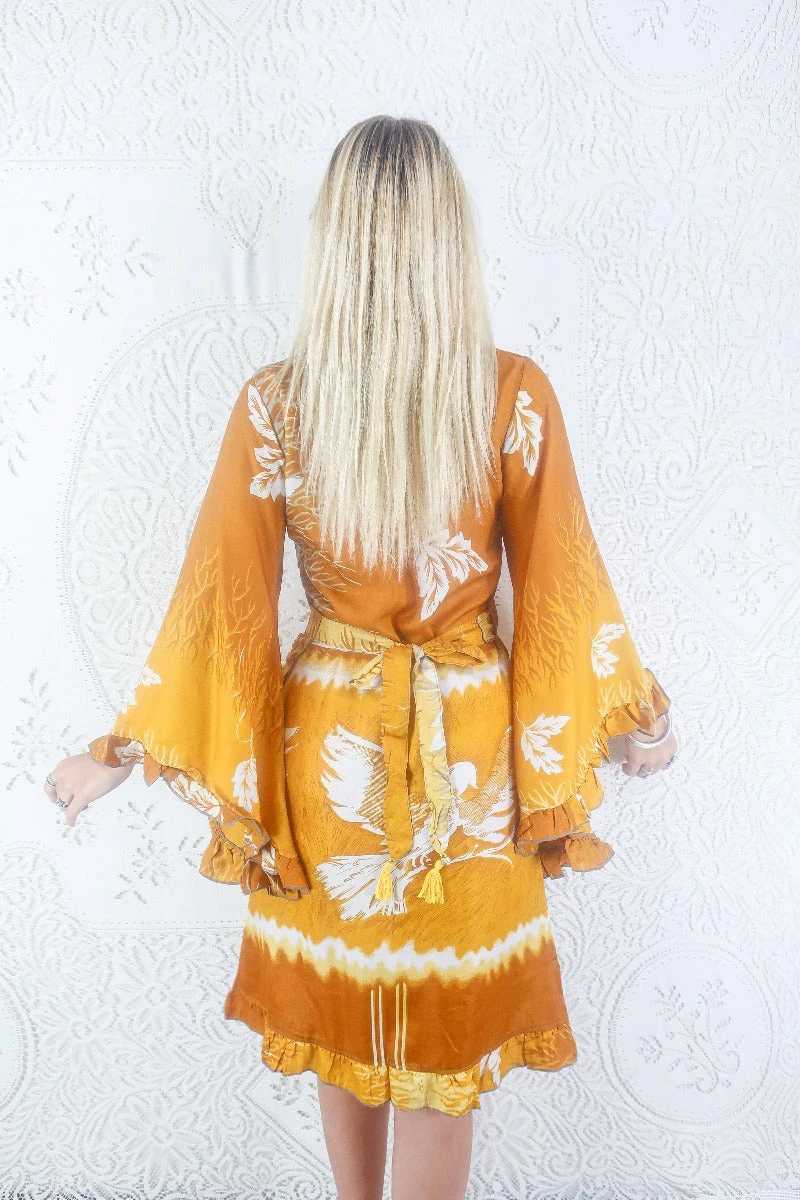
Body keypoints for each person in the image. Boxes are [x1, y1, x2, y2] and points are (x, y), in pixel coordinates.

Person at [44, 115, 678, 1200]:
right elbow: (565, 586)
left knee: (347, 1016)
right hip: (469, 763)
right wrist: (640, 717)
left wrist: (121, 750)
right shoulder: (510, 394)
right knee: (442, 1048)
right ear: (451, 237)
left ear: (330, 236)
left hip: (324, 756)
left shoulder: (278, 404)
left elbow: (219, 602)